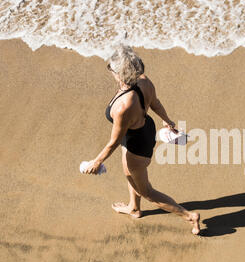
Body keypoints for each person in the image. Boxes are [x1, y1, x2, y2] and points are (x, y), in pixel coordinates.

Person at [83, 44, 200, 235]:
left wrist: (96, 162)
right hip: (143, 129)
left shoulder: (123, 107)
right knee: (129, 174)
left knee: (147, 192)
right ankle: (134, 208)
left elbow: (113, 142)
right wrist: (167, 121)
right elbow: (155, 103)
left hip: (137, 145)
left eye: (111, 69)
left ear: (120, 74)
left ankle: (189, 216)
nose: (110, 71)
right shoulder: (144, 82)